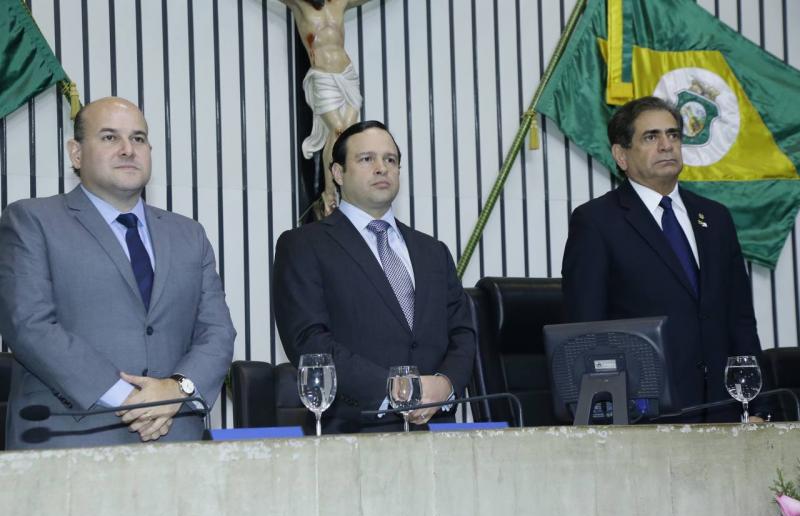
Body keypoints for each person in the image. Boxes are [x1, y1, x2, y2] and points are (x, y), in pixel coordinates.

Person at [0, 97, 236, 449]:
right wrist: (130, 400)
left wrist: (177, 389)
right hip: (68, 439)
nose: (128, 149)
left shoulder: (189, 235)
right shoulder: (31, 221)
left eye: (138, 138)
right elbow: (29, 325)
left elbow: (217, 332)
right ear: (76, 153)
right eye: (110, 137)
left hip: (175, 439)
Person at [561, 96, 763, 422]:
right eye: (651, 137)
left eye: (673, 135)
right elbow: (586, 329)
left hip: (724, 411)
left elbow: (740, 320)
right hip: (647, 415)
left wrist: (755, 406)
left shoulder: (715, 217)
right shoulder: (597, 222)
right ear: (621, 155)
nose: (667, 145)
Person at [273, 120, 475, 433]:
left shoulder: (433, 251)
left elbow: (462, 331)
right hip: (355, 428)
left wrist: (445, 384)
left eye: (390, 160)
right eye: (367, 159)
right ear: (338, 173)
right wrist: (392, 388)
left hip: (437, 429)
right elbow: (309, 340)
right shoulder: (303, 245)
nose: (382, 168)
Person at [279, 0, 369, 216]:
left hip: (347, 74)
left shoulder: (340, 3)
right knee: (338, 131)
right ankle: (330, 193)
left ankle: (338, 193)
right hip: (322, 77)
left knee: (345, 136)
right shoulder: (300, 5)